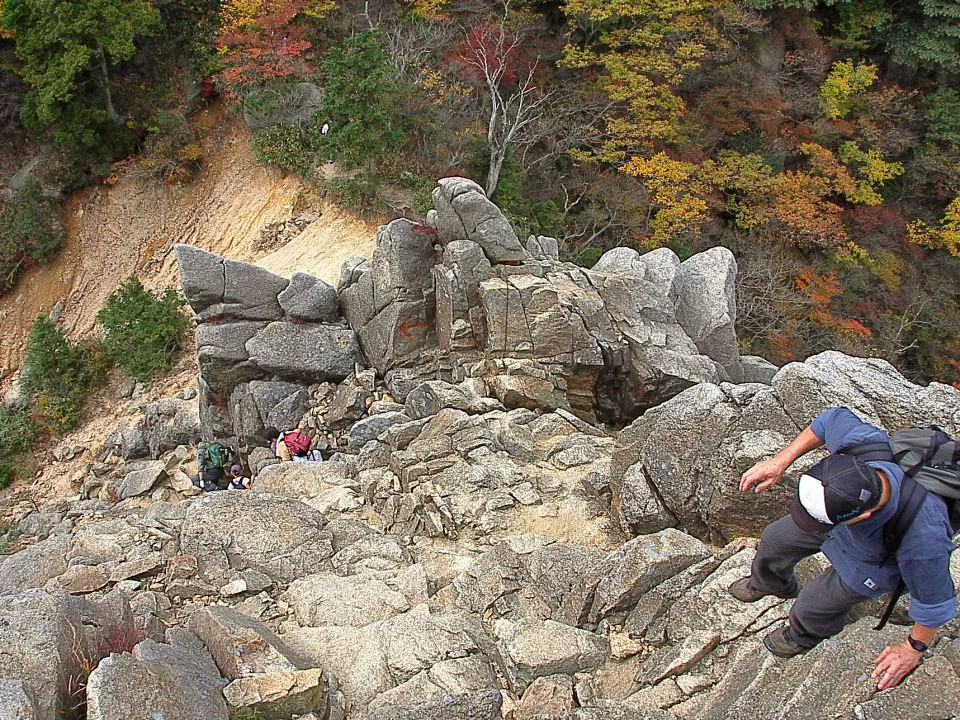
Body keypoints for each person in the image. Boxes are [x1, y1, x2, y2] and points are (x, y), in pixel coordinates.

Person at [729, 406, 956, 690]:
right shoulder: (864, 446)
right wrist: (779, 461)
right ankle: (772, 583)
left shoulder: (922, 534)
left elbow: (934, 601)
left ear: (862, 516)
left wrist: (912, 649)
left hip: (876, 558)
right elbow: (828, 420)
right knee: (776, 538)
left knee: (812, 606)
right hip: (843, 524)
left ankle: (804, 635)